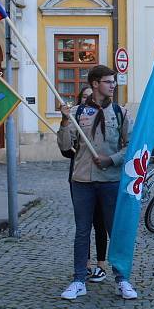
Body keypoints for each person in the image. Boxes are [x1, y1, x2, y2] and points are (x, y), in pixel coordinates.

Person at [57, 65, 135, 300]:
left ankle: (122, 280)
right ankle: (79, 279)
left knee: (115, 231)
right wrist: (63, 121)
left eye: (113, 81)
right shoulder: (79, 112)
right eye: (108, 82)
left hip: (111, 180)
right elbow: (64, 146)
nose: (113, 85)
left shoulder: (121, 113)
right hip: (82, 180)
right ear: (95, 84)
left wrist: (111, 160)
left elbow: (129, 146)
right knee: (82, 231)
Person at [60, 86, 109, 285]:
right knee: (83, 225)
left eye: (91, 97)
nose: (88, 100)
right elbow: (65, 149)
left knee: (100, 223)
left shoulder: (105, 118)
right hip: (80, 177)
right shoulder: (75, 118)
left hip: (102, 177)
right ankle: (85, 264)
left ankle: (102, 264)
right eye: (85, 97)